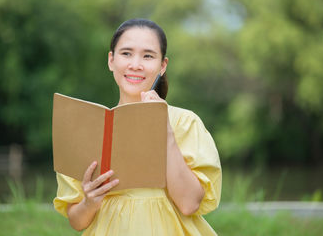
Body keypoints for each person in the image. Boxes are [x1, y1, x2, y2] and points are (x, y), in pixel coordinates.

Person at [53, 18, 222, 235]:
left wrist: (164, 130)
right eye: (126, 53)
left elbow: (190, 204)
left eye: (148, 56)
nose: (135, 64)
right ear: (111, 60)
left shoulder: (184, 123)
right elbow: (77, 222)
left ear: (163, 66)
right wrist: (90, 201)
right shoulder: (86, 127)